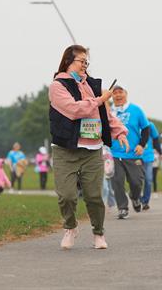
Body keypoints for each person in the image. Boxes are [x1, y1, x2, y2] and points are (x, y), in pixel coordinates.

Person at [49, 45, 128, 249]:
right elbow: (74, 110)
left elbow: (105, 115)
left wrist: (119, 131)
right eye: (81, 61)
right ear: (68, 61)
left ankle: (98, 233)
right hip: (65, 150)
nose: (85, 65)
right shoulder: (58, 85)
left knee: (94, 196)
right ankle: (70, 227)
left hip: (92, 149)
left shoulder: (92, 86)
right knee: (66, 196)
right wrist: (100, 99)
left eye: (86, 62)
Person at [110, 85, 150, 219]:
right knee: (117, 181)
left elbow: (146, 129)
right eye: (115, 93)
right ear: (111, 96)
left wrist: (141, 145)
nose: (118, 95)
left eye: (120, 92)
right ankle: (122, 208)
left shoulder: (136, 110)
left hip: (133, 153)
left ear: (126, 94)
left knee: (136, 181)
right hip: (114, 153)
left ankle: (135, 197)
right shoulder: (109, 111)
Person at [140, 120, 161, 210]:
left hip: (148, 157)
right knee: (136, 180)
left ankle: (145, 201)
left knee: (148, 179)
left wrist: (161, 153)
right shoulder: (133, 124)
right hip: (135, 156)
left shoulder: (150, 125)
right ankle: (136, 197)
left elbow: (156, 139)